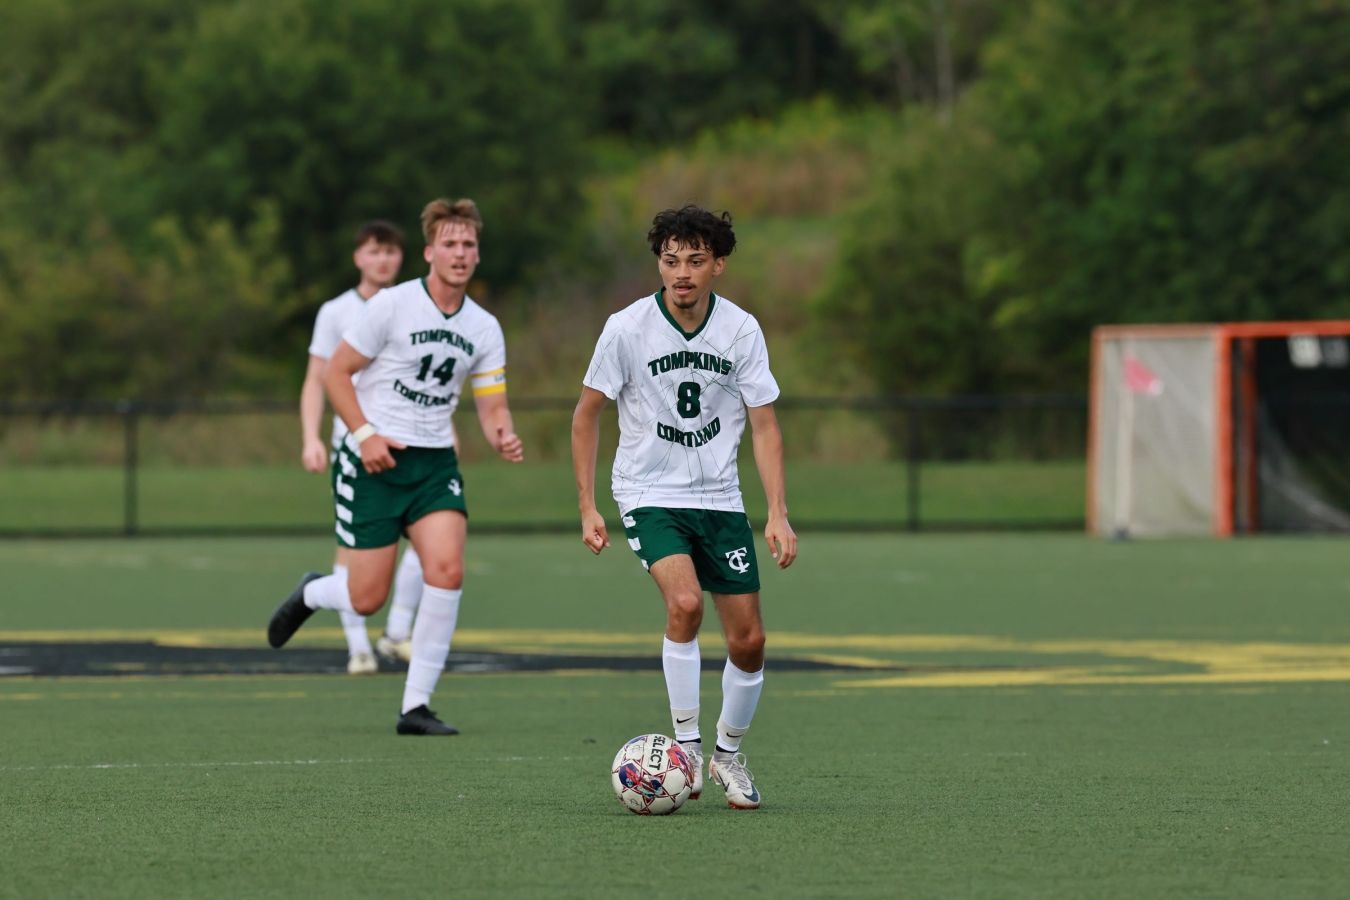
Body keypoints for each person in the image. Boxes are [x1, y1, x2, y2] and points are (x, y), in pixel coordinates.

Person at [571, 204, 798, 809]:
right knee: (686, 603)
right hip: (648, 493)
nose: (682, 273)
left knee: (749, 641)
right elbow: (586, 415)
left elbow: (766, 425)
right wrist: (589, 506)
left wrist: (777, 512)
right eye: (671, 261)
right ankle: (687, 749)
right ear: (659, 264)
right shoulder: (626, 328)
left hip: (720, 498)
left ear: (717, 265)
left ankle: (728, 755)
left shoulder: (741, 330)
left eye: (696, 261)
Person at [270, 197, 524, 735]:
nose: (460, 253)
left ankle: (415, 706)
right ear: (430, 252)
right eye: (450, 244)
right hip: (373, 460)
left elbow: (492, 405)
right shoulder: (392, 305)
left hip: (433, 465)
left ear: (478, 255)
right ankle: (313, 591)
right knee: (366, 598)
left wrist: (502, 434)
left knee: (447, 571)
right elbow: (335, 374)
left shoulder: (484, 327)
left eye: (469, 244)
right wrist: (364, 436)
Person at [299, 220, 425, 674]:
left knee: (430, 542)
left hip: (410, 443)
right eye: (374, 251)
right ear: (358, 257)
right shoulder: (336, 311)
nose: (383, 259)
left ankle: (396, 634)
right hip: (354, 445)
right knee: (353, 548)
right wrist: (311, 438)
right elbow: (317, 379)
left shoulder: (416, 305)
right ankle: (359, 648)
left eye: (391, 251)